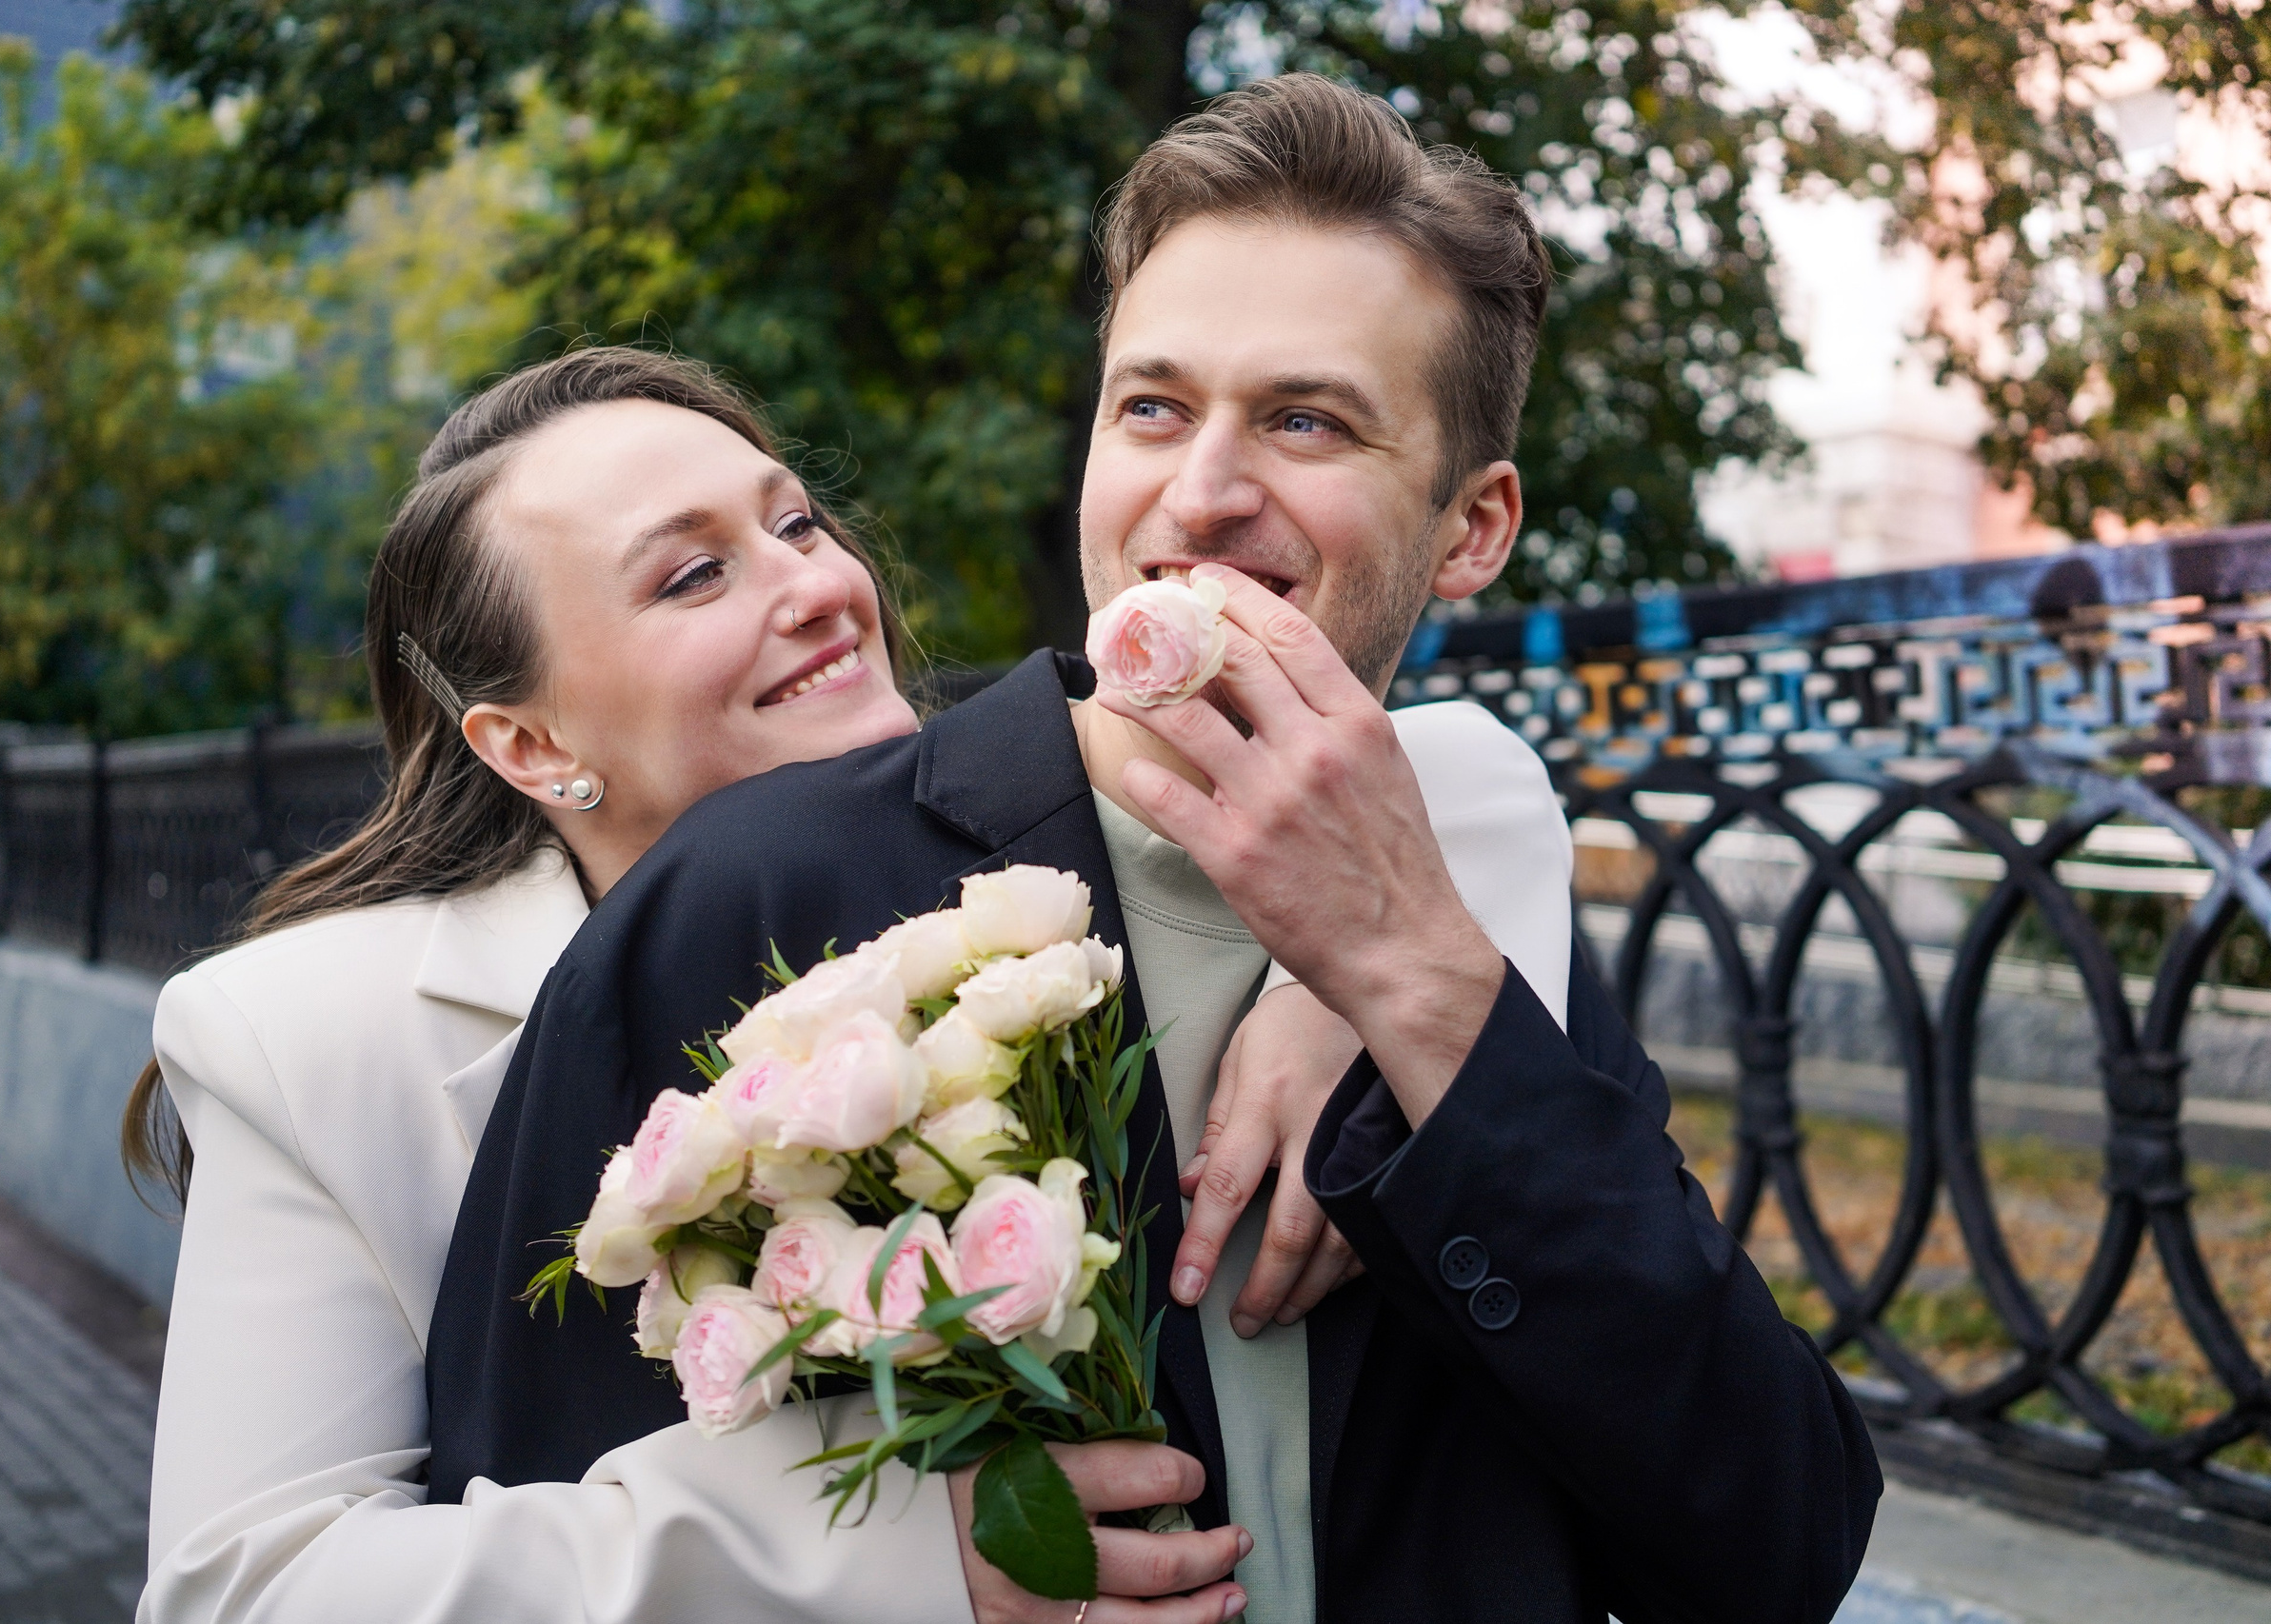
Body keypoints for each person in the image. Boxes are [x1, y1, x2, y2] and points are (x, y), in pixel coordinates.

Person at [427, 74, 1882, 1624]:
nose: (1198, 496)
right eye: (1154, 408)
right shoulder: (749, 895)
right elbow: (522, 1507)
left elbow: (1772, 1545)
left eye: (1306, 420)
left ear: (1473, 526)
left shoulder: (1470, 917)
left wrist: (1424, 985)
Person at [133, 345, 1501, 1624]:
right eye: (691, 577)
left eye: (794, 524)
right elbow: (249, 1585)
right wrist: (890, 1552)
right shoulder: (304, 1033)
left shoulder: (1002, 853)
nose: (817, 586)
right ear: (531, 742)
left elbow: (1466, 767)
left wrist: (1347, 984)